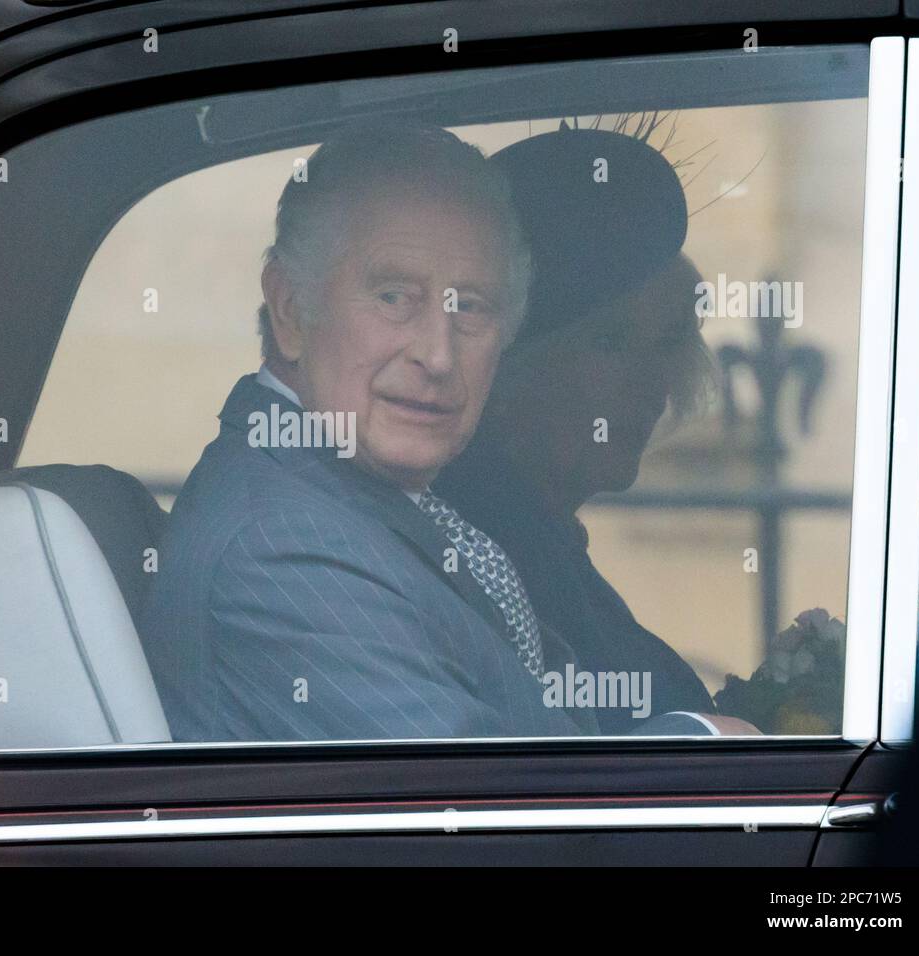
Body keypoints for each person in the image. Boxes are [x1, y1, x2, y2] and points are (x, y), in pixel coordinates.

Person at [141, 121, 588, 741]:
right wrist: (694, 744)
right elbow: (476, 805)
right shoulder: (284, 549)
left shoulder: (347, 497)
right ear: (292, 308)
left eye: (472, 307)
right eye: (394, 296)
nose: (437, 355)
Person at [435, 125, 745, 734]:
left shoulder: (540, 536)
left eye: (669, 340)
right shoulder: (485, 556)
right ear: (503, 364)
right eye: (608, 342)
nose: (652, 383)